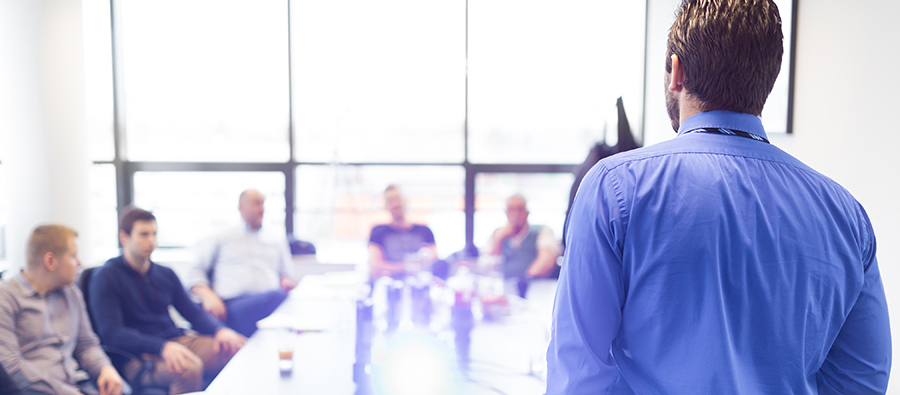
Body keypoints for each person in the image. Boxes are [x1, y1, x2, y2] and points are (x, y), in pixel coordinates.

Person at [547, 1, 891, 394]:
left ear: (677, 72)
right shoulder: (846, 216)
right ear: (767, 79)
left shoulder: (614, 188)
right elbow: (860, 380)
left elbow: (579, 376)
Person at [88, 208, 246, 395]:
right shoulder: (106, 276)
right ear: (124, 237)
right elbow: (112, 334)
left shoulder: (165, 274)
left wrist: (220, 330)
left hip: (175, 341)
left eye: (154, 234)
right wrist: (161, 347)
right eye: (144, 235)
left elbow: (193, 313)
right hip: (138, 356)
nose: (151, 241)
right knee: (187, 368)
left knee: (238, 349)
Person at [0, 225, 123, 395]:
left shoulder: (71, 292)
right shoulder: (5, 297)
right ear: (50, 261)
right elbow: (11, 366)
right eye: (73, 256)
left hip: (76, 384)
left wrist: (105, 368)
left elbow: (86, 345)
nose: (79, 263)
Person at [185, 189, 296, 337]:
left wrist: (286, 280)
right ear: (241, 207)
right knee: (277, 297)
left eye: (263, 204)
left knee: (285, 302)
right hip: (233, 306)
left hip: (268, 303)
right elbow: (195, 271)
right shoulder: (221, 236)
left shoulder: (276, 239)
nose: (261, 209)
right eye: (256, 204)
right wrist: (208, 296)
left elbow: (287, 273)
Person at [484, 194, 560, 296]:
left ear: (527, 212)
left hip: (535, 291)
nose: (516, 214)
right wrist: (499, 239)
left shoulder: (542, 231)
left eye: (520, 209)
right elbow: (489, 267)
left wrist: (524, 280)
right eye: (511, 209)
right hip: (503, 293)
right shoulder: (498, 233)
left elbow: (547, 261)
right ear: (506, 213)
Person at [367, 185, 437, 278]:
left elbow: (434, 261)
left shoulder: (424, 231)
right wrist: (406, 267)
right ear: (385, 205)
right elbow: (375, 267)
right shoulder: (378, 232)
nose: (395, 204)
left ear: (405, 200)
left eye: (397, 198)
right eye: (390, 200)